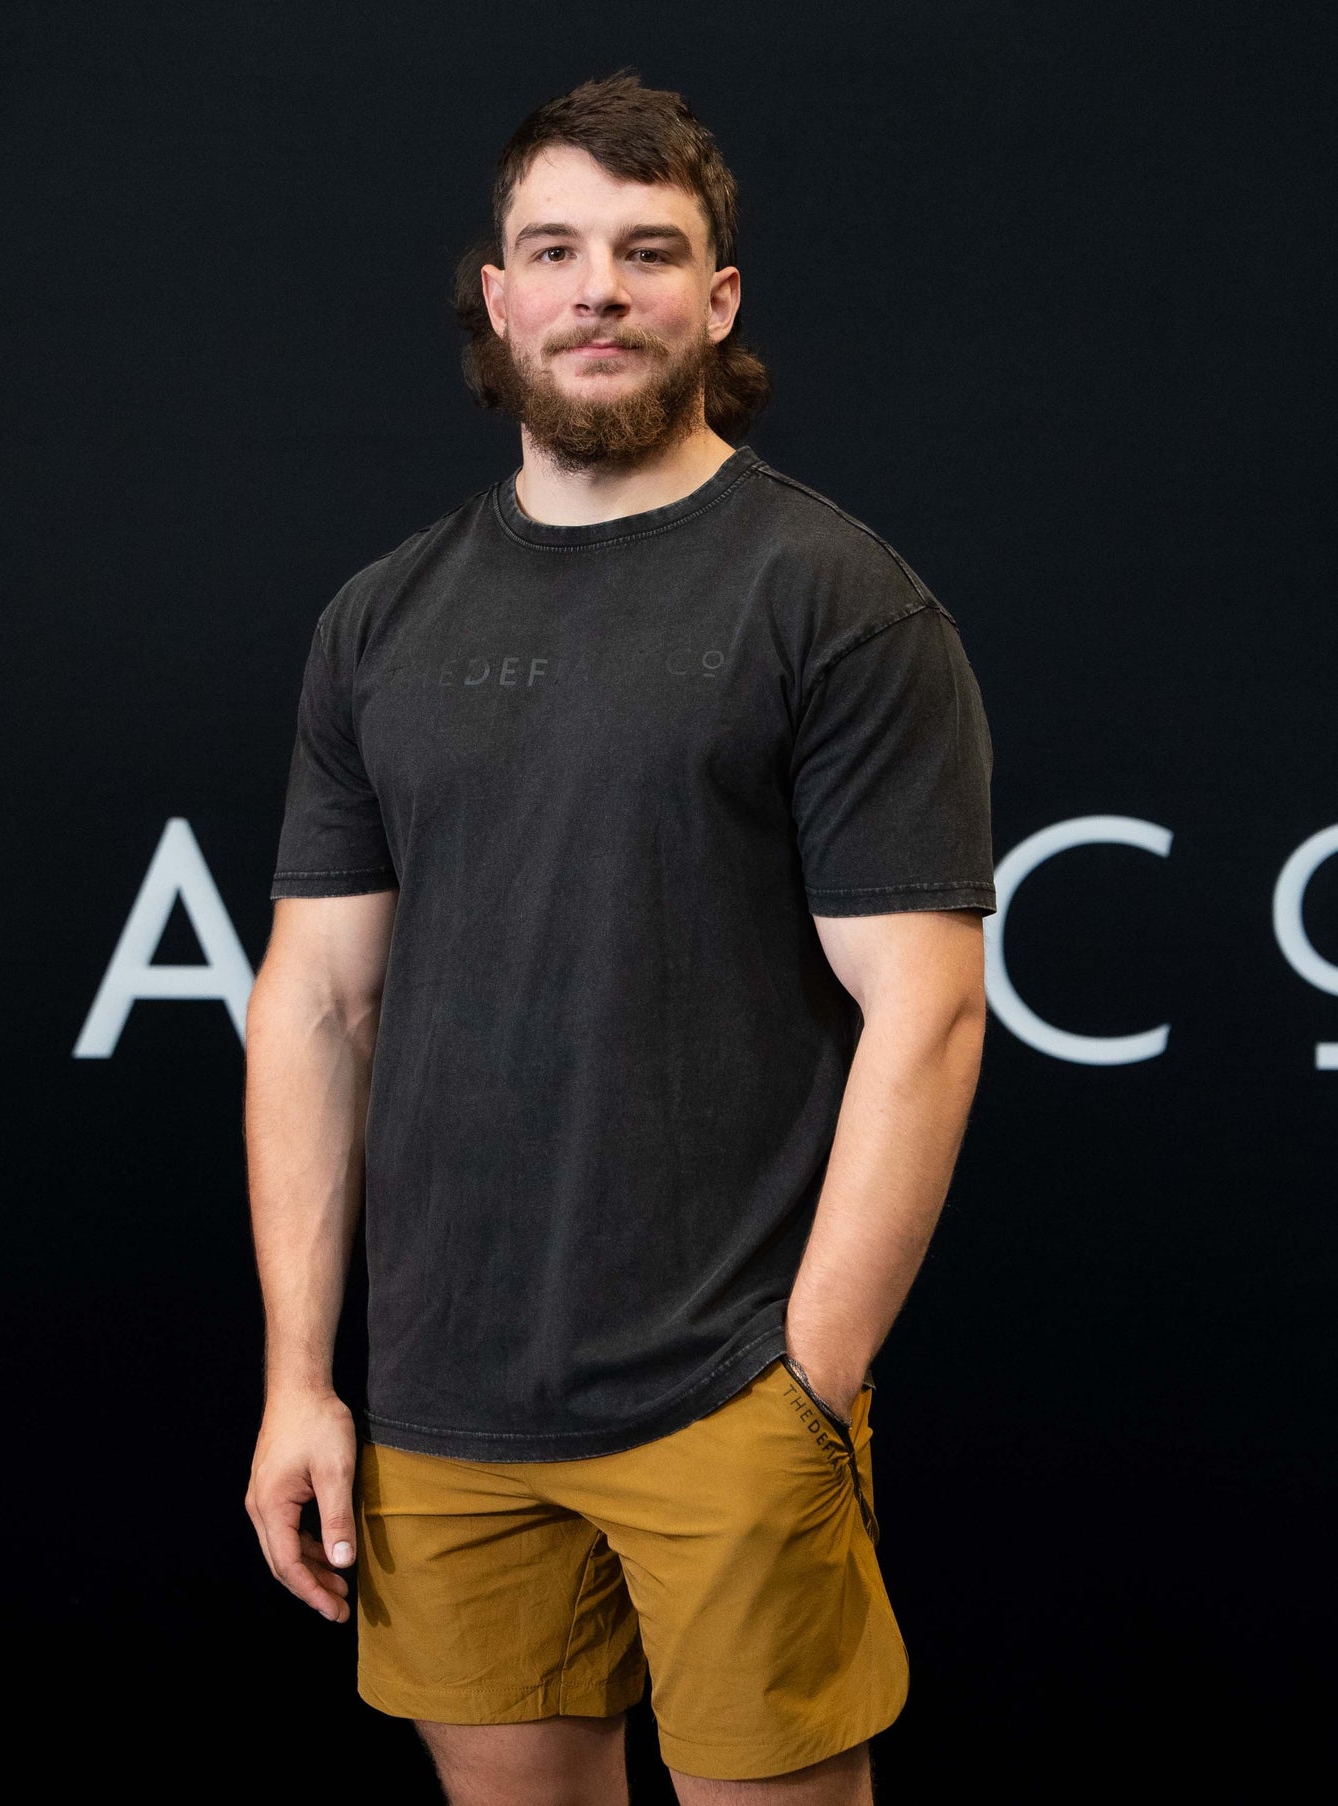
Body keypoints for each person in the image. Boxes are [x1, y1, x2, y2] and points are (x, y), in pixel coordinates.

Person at [244, 68, 995, 1806]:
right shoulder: (382, 617)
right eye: (556, 250)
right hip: (438, 1411)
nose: (600, 289)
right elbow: (317, 1002)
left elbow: (929, 1014)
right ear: (496, 297)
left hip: (728, 1390)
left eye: (649, 252)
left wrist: (812, 1377)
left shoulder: (828, 597)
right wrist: (302, 1380)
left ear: (713, 301)